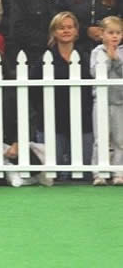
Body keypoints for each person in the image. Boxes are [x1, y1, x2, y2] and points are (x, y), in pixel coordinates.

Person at [0, 31, 51, 187]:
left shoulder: (11, 81)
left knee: (31, 169)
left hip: (9, 139)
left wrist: (17, 142)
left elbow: (27, 115)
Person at [30, 12, 94, 179]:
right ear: (54, 32)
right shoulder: (44, 60)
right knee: (53, 175)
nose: (66, 31)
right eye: (61, 28)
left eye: (69, 27)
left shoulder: (87, 58)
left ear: (76, 31)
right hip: (52, 122)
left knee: (83, 173)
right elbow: (34, 92)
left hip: (83, 121)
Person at [89, 16, 123, 186]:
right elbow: (95, 72)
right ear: (102, 34)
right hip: (101, 103)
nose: (115, 36)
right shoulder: (97, 52)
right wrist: (109, 58)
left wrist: (116, 58)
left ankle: (118, 172)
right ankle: (99, 173)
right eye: (110, 33)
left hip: (120, 103)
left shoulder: (122, 52)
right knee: (100, 139)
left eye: (118, 33)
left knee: (120, 140)